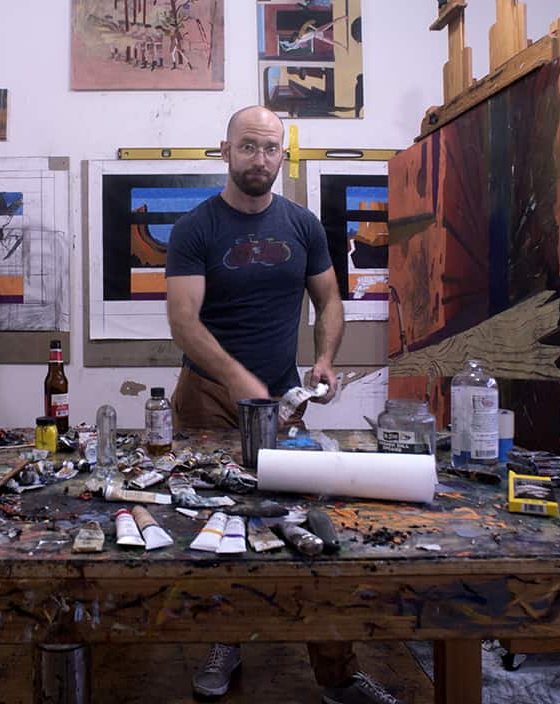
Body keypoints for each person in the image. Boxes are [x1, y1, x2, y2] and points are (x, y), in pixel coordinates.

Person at [165, 105, 401, 704]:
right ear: (225, 151)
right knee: (216, 524)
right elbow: (184, 322)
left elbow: (329, 303)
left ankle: (337, 674)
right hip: (208, 398)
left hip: (282, 403)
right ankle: (225, 641)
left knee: (307, 527)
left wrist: (325, 360)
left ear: (282, 155)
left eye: (271, 148)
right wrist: (236, 376)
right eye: (249, 147)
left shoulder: (302, 225)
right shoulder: (196, 228)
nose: (261, 159)